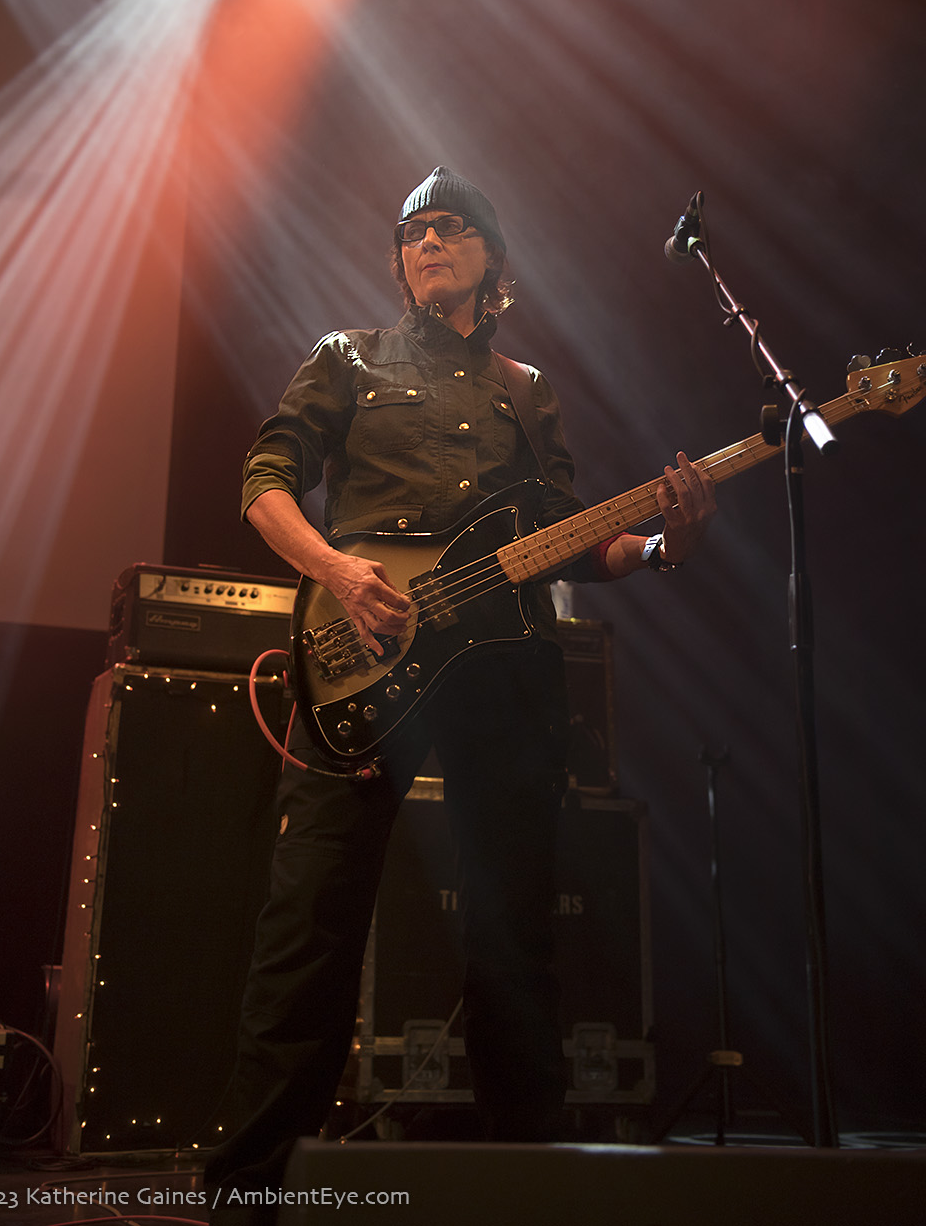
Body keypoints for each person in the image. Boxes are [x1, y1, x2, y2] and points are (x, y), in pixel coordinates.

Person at [205, 166, 715, 1219]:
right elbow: (264, 481)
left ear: (495, 261)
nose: (426, 242)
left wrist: (663, 539)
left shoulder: (528, 391)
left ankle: (528, 1186)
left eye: (449, 228)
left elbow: (572, 542)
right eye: (410, 232)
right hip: (366, 651)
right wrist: (339, 574)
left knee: (515, 936)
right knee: (312, 919)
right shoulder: (345, 359)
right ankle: (251, 1191)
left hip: (511, 677)